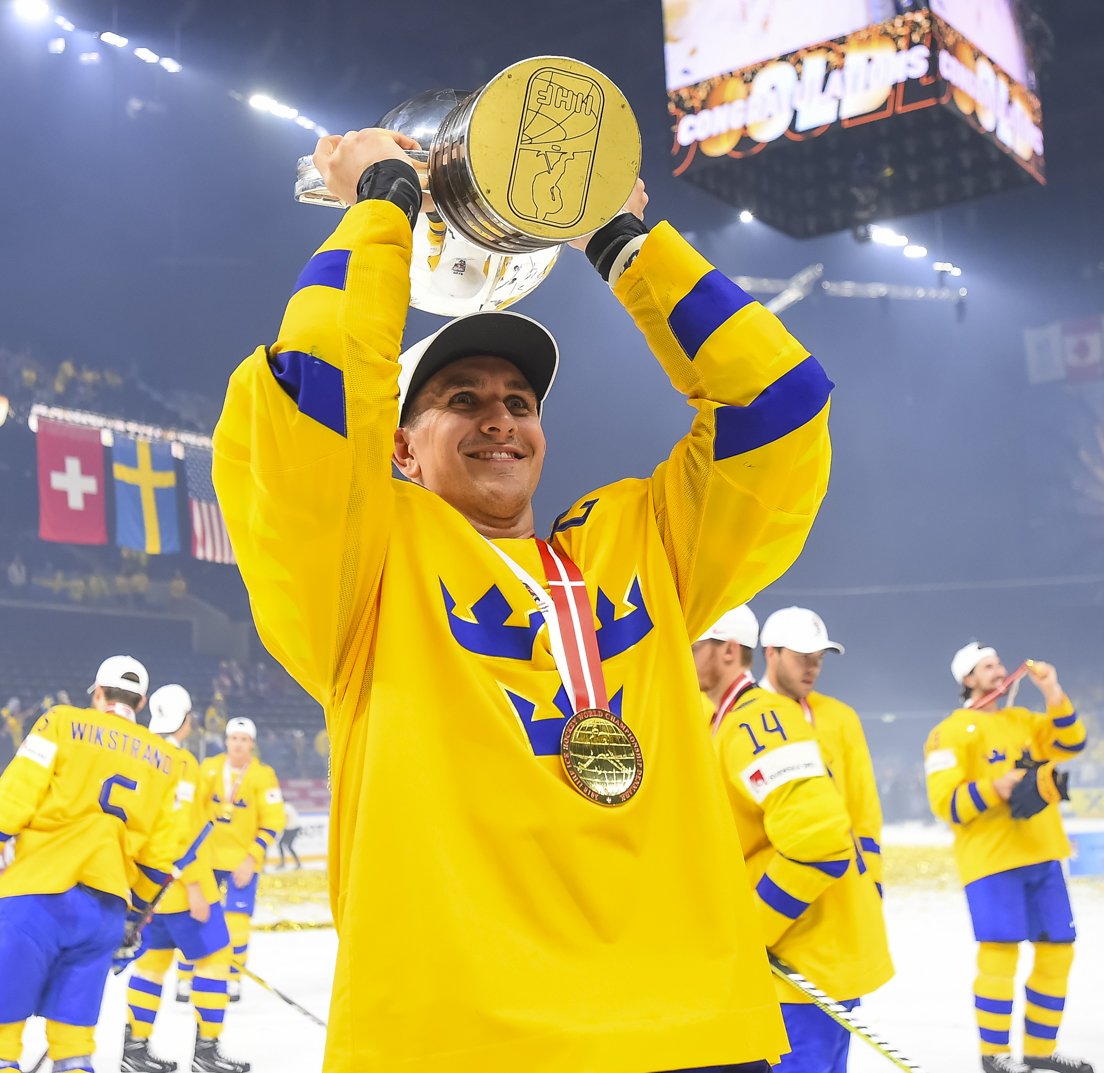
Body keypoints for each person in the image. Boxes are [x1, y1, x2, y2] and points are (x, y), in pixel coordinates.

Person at [212, 126, 832, 1071]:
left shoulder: (639, 543)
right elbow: (316, 398)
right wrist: (383, 206)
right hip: (462, 1042)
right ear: (399, 447)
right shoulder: (362, 567)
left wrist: (625, 246)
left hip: (693, 1031)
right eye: (461, 399)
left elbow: (780, 407)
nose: (500, 417)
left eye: (520, 401)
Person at [0, 656, 187, 1073]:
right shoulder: (167, 761)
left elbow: (13, 802)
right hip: (103, 913)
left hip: (34, 899)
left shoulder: (60, 722)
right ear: (142, 702)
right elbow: (160, 857)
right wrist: (132, 920)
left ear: (98, 692)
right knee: (74, 1048)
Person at [694, 606, 891, 1073]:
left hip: (803, 956)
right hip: (795, 952)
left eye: (695, 646)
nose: (812, 666)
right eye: (803, 656)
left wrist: (753, 930)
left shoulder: (760, 721)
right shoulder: (724, 716)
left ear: (729, 650)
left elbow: (831, 835)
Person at [926, 643, 1093, 1073]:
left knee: (1058, 951)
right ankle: (994, 1054)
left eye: (999, 664)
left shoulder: (1022, 720)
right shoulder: (948, 732)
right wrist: (995, 788)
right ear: (967, 678)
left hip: (1044, 853)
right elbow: (945, 803)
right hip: (991, 861)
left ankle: (1040, 1050)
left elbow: (1072, 741)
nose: (999, 671)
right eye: (987, 666)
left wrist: (1052, 691)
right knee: (999, 954)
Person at [125, 684, 248, 1073]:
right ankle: (207, 1054)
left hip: (146, 888)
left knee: (151, 966)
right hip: (181, 886)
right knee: (214, 960)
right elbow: (181, 832)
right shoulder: (180, 763)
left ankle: (134, 1051)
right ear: (186, 720)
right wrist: (195, 885)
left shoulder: (137, 754)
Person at [760, 606, 886, 895]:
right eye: (802, 657)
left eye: (819, 658)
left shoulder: (841, 717)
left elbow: (863, 806)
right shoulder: (738, 715)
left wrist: (872, 879)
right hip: (769, 885)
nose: (813, 668)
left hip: (842, 887)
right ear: (771, 653)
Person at [176, 717, 283, 1005]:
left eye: (244, 739)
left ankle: (233, 978)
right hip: (207, 859)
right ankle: (186, 975)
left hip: (242, 862)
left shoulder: (263, 776)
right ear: (226, 740)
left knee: (237, 922)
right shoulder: (209, 768)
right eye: (234, 738)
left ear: (252, 744)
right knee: (196, 914)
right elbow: (191, 810)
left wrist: (252, 858)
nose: (238, 744)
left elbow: (274, 820)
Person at [273, 800, 302, 870]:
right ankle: (296, 863)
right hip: (293, 828)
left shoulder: (284, 807)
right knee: (286, 845)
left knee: (284, 845)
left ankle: (285, 863)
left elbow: (285, 818)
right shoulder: (288, 806)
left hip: (291, 828)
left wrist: (280, 829)